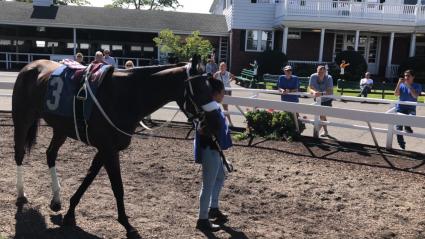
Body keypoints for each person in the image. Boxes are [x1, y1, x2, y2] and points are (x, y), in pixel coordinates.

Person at [194, 78, 232, 232]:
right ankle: (202, 219)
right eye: (222, 92)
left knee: (221, 176)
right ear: (216, 93)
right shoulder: (208, 109)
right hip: (210, 149)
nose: (224, 95)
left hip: (215, 149)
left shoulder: (213, 107)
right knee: (208, 184)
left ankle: (213, 209)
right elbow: (202, 130)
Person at [394, 70, 422, 150]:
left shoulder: (417, 85)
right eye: (405, 76)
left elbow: (415, 96)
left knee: (410, 119)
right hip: (400, 108)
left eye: (408, 76)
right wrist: (399, 83)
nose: (406, 77)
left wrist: (409, 86)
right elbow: (396, 94)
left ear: (413, 77)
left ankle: (407, 126)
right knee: (398, 127)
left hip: (411, 109)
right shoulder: (402, 85)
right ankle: (401, 142)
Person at [309, 65, 334, 137]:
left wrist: (321, 93)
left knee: (322, 115)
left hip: (327, 99)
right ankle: (326, 131)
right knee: (322, 115)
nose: (321, 73)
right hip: (317, 98)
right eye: (319, 71)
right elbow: (311, 88)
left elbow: (330, 91)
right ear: (317, 71)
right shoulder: (313, 76)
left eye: (323, 71)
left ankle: (316, 132)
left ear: (325, 72)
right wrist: (314, 92)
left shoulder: (329, 78)